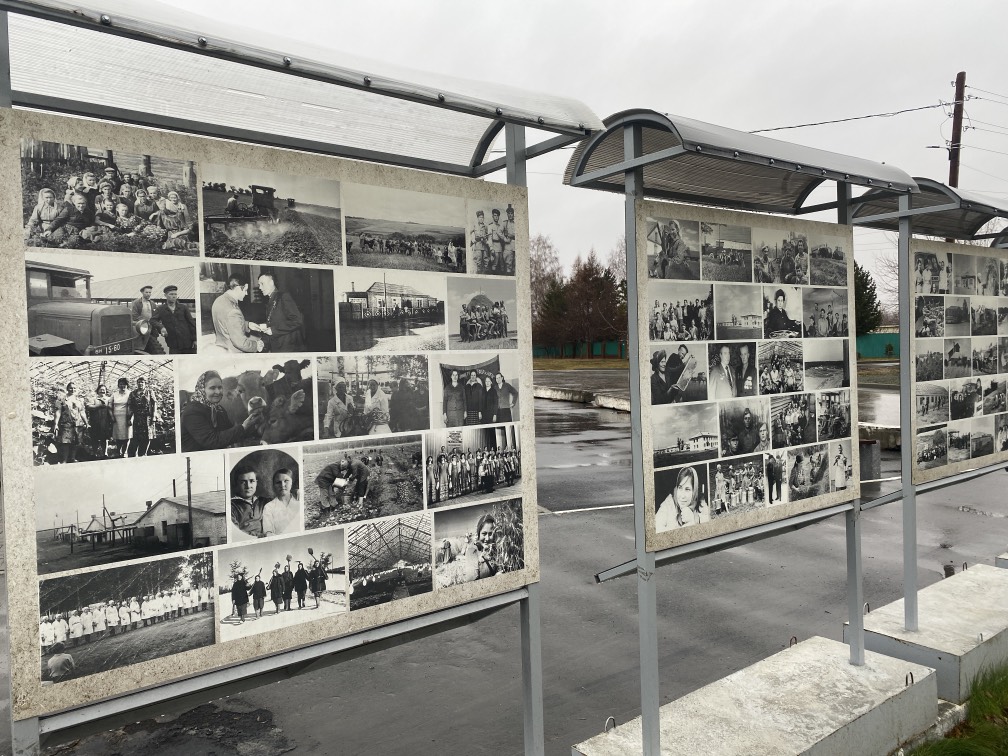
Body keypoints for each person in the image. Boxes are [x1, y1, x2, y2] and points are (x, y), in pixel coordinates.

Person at [180, 370, 262, 452]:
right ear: (202, 390)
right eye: (212, 388)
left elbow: (231, 433)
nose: (218, 392)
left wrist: (255, 427)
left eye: (220, 387)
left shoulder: (219, 409)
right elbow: (212, 441)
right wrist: (243, 427)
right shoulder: (192, 412)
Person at [211, 275, 264, 353]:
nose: (246, 294)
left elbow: (228, 323)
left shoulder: (219, 300)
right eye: (245, 290)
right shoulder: (233, 310)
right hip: (233, 351)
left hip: (222, 345)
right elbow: (241, 343)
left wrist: (247, 325)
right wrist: (256, 346)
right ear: (238, 288)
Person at [257, 272, 305, 352]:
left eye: (262, 284)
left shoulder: (284, 296)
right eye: (259, 285)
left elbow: (297, 320)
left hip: (288, 347)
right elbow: (272, 322)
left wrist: (273, 330)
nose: (260, 287)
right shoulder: (271, 300)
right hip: (277, 346)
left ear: (271, 282)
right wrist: (263, 340)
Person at [655, 466, 710, 531]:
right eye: (680, 488)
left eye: (687, 489)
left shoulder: (701, 503)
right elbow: (656, 528)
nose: (682, 496)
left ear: (694, 491)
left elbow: (709, 528)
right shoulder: (669, 503)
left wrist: (693, 520)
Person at [152, 285, 197, 354]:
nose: (174, 296)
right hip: (173, 344)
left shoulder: (183, 308)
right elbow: (152, 320)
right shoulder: (161, 309)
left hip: (188, 343)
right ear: (165, 295)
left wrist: (195, 339)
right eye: (171, 294)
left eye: (175, 294)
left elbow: (191, 324)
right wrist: (161, 327)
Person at [52, 382, 88, 464]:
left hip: (78, 424)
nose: (73, 389)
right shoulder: (62, 399)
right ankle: (64, 460)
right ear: (67, 388)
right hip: (66, 424)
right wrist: (56, 424)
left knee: (76, 441)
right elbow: (58, 411)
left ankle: (72, 458)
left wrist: (86, 423)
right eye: (71, 388)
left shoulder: (79, 400)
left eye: (74, 388)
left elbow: (82, 412)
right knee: (65, 442)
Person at [230, 465, 266, 539]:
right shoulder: (231, 506)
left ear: (256, 483)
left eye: (252, 481)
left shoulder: (263, 502)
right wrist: (259, 536)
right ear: (237, 484)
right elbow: (236, 533)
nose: (248, 486)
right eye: (243, 482)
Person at [262, 468, 299, 537]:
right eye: (278, 482)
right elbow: (268, 532)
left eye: (286, 481)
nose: (282, 485)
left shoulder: (299, 500)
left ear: (291, 482)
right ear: (274, 485)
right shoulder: (269, 507)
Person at [126, 376, 156, 457]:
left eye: (142, 382)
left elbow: (154, 404)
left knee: (147, 436)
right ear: (137, 383)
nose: (140, 384)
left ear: (145, 383)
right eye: (139, 382)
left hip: (148, 418)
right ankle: (132, 454)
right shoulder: (132, 393)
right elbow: (130, 406)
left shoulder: (149, 392)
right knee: (136, 436)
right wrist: (129, 418)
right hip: (137, 418)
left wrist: (154, 416)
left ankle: (143, 454)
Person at [129, 285, 164, 354]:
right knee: (141, 346)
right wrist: (145, 322)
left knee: (154, 345)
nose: (148, 294)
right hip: (141, 328)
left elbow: (156, 315)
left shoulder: (152, 303)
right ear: (142, 292)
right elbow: (134, 315)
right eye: (146, 292)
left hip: (152, 328)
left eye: (150, 292)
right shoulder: (136, 303)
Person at [85, 383, 114, 458]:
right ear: (97, 391)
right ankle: (94, 453)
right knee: (95, 438)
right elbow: (88, 407)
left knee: (104, 438)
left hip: (105, 422)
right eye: (100, 390)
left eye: (104, 390)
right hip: (95, 421)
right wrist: (98, 406)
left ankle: (105, 453)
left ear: (106, 391)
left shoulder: (109, 399)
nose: (102, 391)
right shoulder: (94, 399)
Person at [474, 513, 500, 579]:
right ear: (478, 534)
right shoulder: (473, 552)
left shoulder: (497, 551)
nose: (487, 538)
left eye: (490, 534)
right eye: (484, 533)